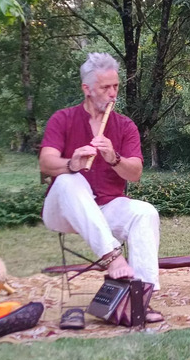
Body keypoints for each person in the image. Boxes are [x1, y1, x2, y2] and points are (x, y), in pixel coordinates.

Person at [39, 52, 163, 322]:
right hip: (63, 211)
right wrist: (71, 164)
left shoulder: (124, 126)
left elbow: (136, 173)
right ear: (87, 89)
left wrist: (113, 158)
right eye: (105, 88)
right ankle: (112, 257)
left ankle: (139, 299)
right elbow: (46, 163)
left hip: (105, 208)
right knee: (69, 180)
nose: (112, 94)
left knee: (145, 212)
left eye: (116, 86)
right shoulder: (63, 119)